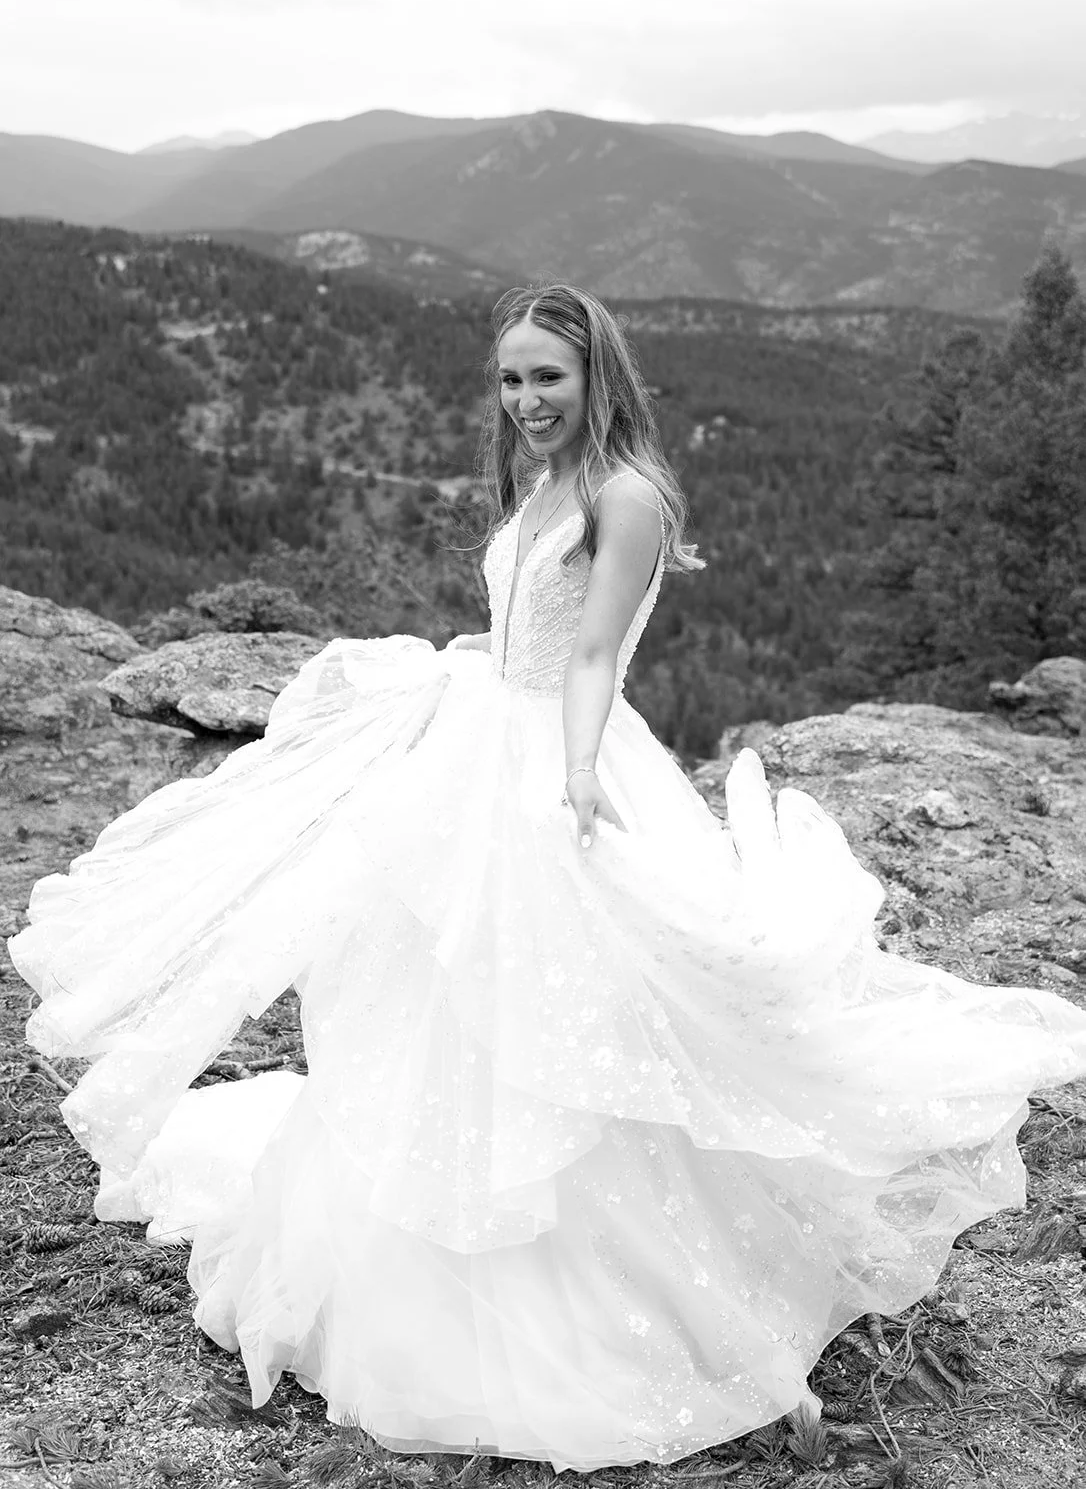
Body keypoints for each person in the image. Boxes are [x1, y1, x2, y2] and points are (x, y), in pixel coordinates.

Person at [10, 283, 1086, 1472]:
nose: (526, 400)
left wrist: (572, 767)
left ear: (597, 377)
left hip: (553, 758)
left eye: (548, 379)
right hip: (489, 735)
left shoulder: (628, 494)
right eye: (511, 379)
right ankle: (426, 1267)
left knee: (562, 1021)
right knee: (440, 1001)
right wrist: (475, 668)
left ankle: (623, 1292)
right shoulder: (544, 482)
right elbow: (530, 623)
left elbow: (590, 652)